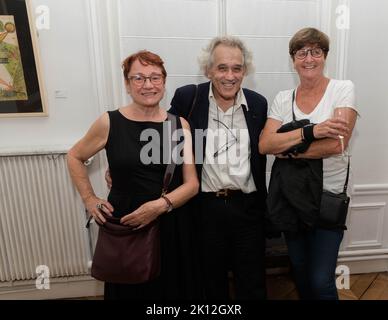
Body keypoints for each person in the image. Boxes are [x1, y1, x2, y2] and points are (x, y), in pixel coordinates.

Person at [67, 50, 199, 300]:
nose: (148, 85)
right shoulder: (109, 122)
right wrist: (89, 198)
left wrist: (160, 206)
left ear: (164, 82)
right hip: (126, 224)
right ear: (127, 84)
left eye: (155, 77)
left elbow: (192, 184)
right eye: (138, 78)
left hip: (170, 222)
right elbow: (74, 156)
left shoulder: (180, 125)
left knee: (171, 291)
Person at [259, 27, 358, 300]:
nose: (309, 58)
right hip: (292, 197)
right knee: (301, 271)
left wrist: (289, 150)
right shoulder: (283, 98)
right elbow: (265, 145)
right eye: (301, 52)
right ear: (293, 59)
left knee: (321, 281)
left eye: (316, 51)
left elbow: (338, 143)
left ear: (325, 55)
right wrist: (312, 132)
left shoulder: (342, 89)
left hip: (328, 198)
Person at [168, 36, 268, 300]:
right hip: (203, 209)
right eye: (222, 68)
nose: (230, 76)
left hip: (247, 208)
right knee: (209, 283)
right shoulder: (189, 98)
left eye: (237, 68)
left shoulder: (258, 104)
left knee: (252, 282)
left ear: (245, 71)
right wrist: (128, 168)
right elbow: (163, 137)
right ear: (208, 70)